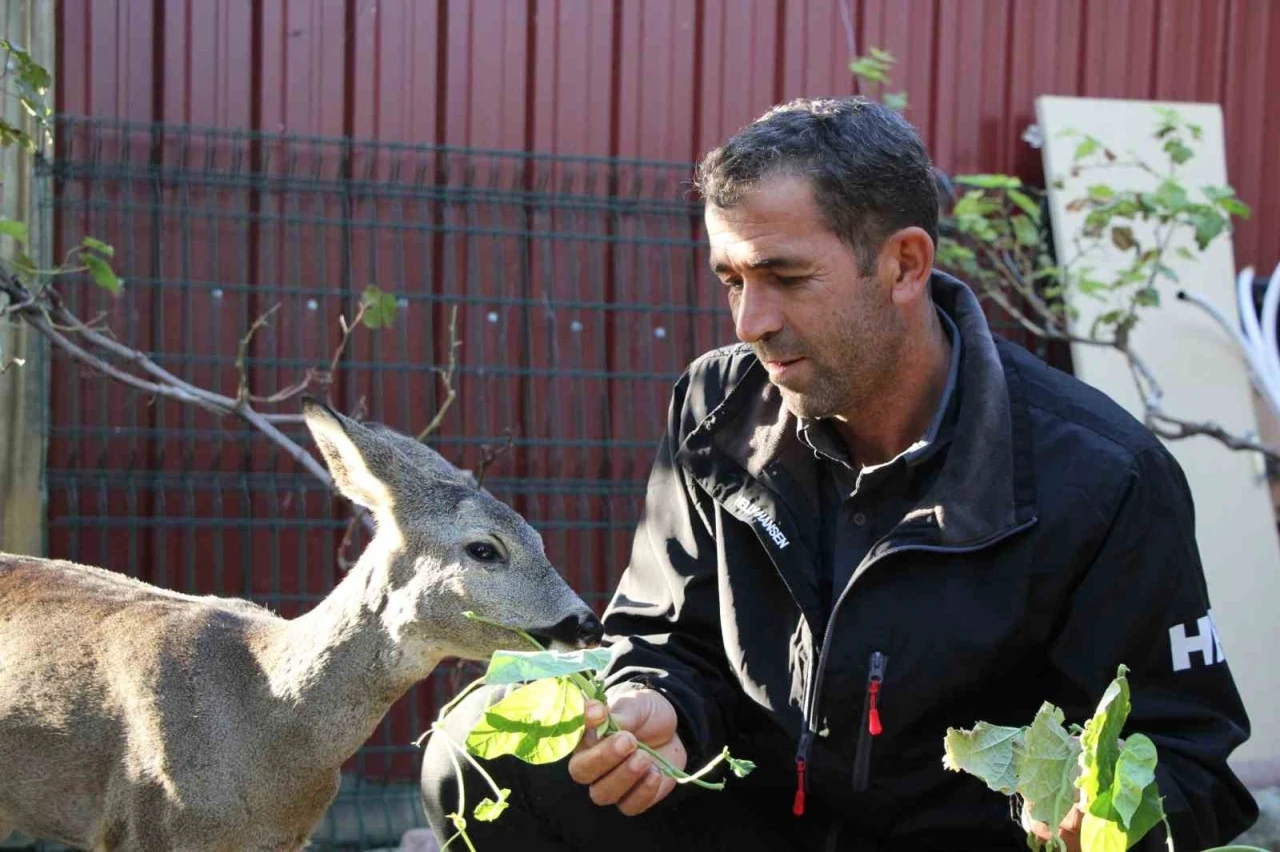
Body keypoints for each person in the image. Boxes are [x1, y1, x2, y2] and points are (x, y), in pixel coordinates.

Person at [421, 97, 1259, 851]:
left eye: (785, 277)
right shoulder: (716, 404)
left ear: (903, 264)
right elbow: (661, 632)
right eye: (731, 280)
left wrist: (1108, 820)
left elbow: (1191, 760)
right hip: (748, 817)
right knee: (479, 754)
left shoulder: (1105, 477)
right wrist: (656, 704)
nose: (751, 321)